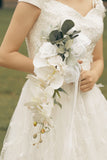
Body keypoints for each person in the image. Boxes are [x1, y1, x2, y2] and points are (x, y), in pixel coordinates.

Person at [0, 0, 107, 159]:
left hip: (87, 101)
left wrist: (94, 75)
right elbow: (5, 55)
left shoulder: (95, 3)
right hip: (47, 100)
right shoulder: (35, 2)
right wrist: (52, 69)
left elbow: (98, 59)